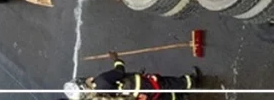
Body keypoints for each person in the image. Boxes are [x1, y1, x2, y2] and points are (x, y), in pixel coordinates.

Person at [65, 52, 203, 100]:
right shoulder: (101, 81)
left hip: (138, 96)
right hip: (141, 85)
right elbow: (120, 71)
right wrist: (116, 59)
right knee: (167, 84)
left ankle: (180, 97)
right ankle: (191, 82)